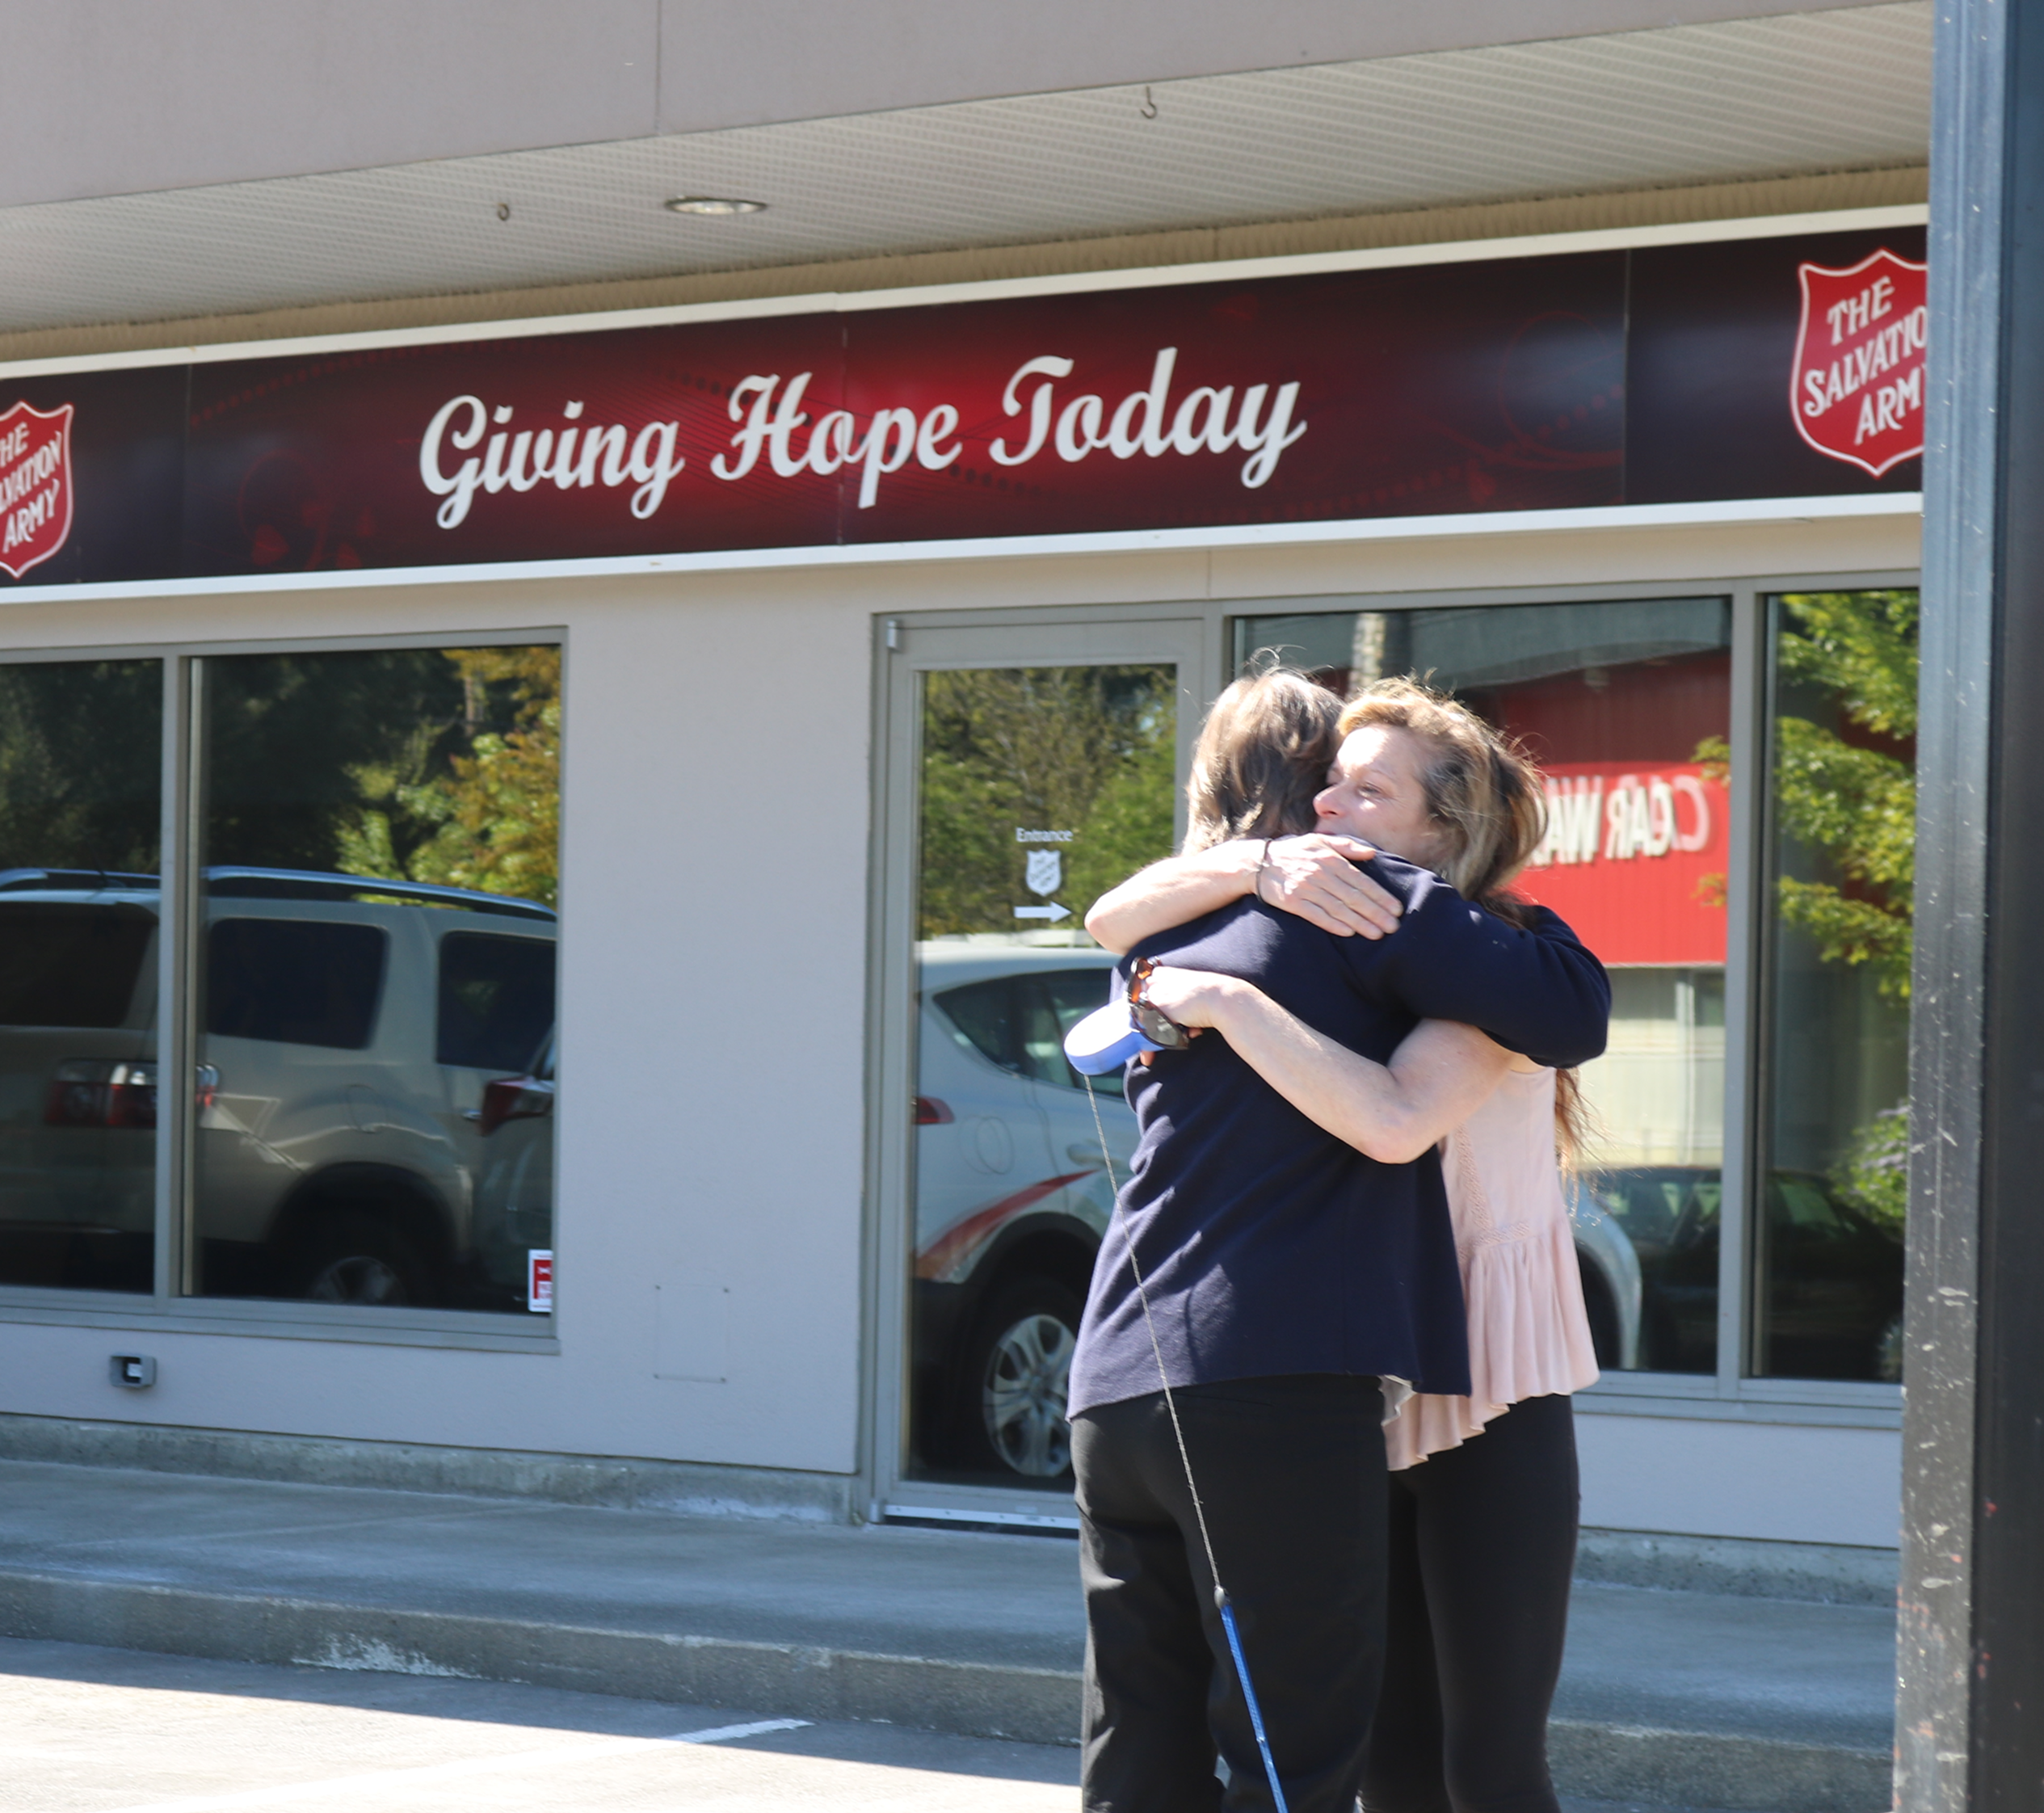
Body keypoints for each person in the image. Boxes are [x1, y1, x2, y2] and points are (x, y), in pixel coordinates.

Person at [1067, 671, 1609, 1813]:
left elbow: (1403, 1115)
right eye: (1323, 786)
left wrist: (1223, 998)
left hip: (1483, 1361)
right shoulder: (1309, 918)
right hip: (1344, 1348)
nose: (1325, 809)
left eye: (1364, 791)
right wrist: (1252, 869)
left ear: (1444, 825)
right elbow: (1110, 915)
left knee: (1486, 1761)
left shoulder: (1486, 950)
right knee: (1373, 1750)